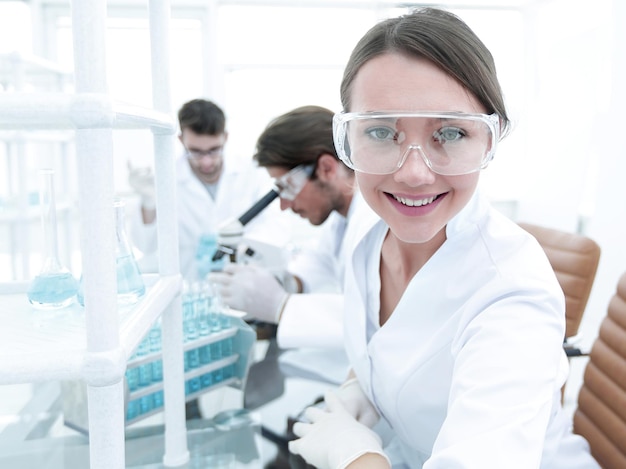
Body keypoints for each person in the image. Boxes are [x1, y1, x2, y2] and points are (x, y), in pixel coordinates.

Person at [287, 7, 600, 469]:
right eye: (380, 131)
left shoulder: (514, 297)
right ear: (347, 140)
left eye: (450, 133)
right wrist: (364, 388)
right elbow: (389, 346)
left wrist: (351, 455)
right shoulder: (369, 237)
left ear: (490, 142)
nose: (413, 173)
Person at [209, 105, 378, 354]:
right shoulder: (340, 220)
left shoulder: (375, 222)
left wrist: (281, 305)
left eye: (287, 188)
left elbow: (376, 322)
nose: (284, 205)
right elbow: (319, 261)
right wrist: (285, 281)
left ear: (327, 168)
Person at [128, 98, 291, 282]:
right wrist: (149, 201)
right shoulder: (167, 179)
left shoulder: (252, 172)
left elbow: (276, 225)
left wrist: (242, 249)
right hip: (192, 288)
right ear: (181, 140)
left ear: (225, 137)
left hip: (244, 279)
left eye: (214, 150)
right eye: (196, 151)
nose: (206, 162)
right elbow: (145, 245)